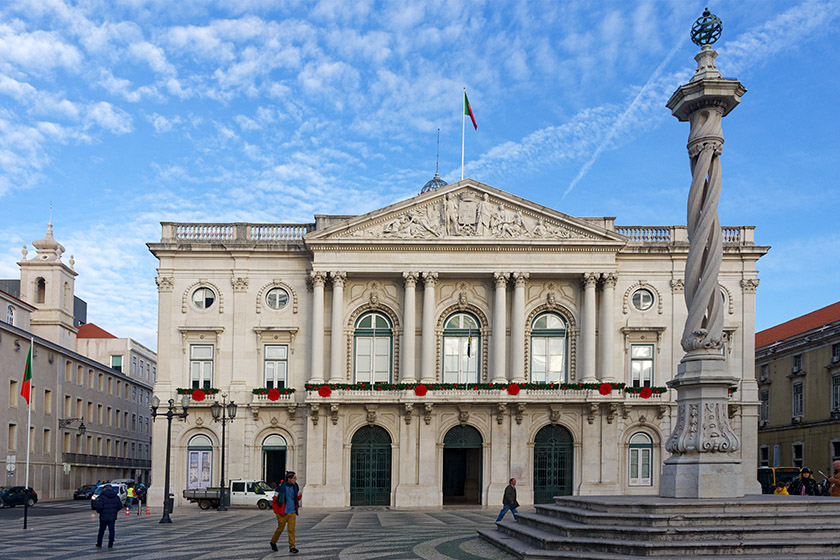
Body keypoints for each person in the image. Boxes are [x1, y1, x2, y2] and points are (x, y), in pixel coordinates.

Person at [270, 471, 301, 554]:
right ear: (289, 479)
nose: (296, 479)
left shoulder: (295, 486)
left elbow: (297, 498)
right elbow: (275, 499)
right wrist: (276, 511)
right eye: (294, 478)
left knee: (291, 530)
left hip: (292, 511)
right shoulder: (280, 488)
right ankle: (273, 542)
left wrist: (299, 496)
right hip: (282, 512)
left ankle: (292, 547)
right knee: (280, 529)